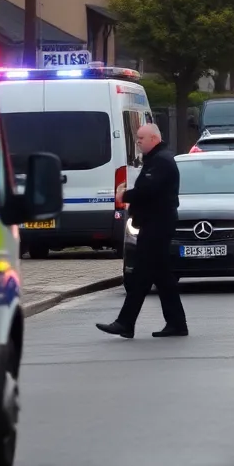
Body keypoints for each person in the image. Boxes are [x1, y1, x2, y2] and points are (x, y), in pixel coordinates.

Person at [96, 123, 189, 338]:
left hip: (157, 224)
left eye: (141, 138)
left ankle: (126, 323)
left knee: (143, 275)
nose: (137, 142)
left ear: (153, 139)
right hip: (154, 223)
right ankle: (175, 323)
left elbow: (148, 189)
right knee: (160, 277)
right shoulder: (156, 159)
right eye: (137, 138)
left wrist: (124, 196)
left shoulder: (161, 161)